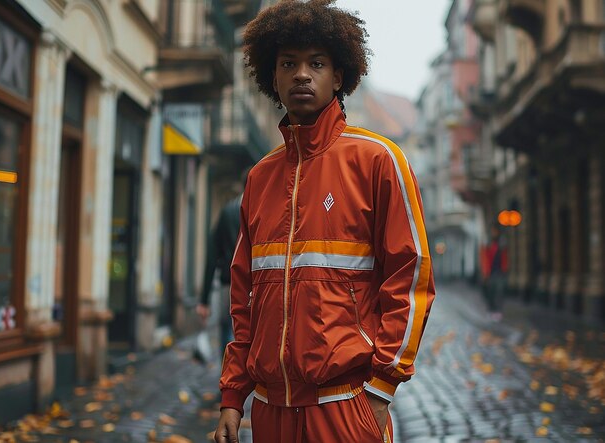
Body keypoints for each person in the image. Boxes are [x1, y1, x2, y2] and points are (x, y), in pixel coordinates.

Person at [215, 1, 435, 442]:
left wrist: (380, 389)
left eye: (316, 63)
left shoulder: (379, 160)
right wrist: (232, 397)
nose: (301, 74)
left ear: (339, 77)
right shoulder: (260, 177)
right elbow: (245, 298)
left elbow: (410, 279)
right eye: (288, 64)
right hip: (271, 410)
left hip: (345, 404)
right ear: (272, 77)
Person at [197, 190, 243, 361]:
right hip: (257, 283)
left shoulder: (228, 212)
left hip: (229, 282)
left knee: (228, 328)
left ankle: (229, 376)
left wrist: (204, 299)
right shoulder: (266, 210)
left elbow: (212, 256)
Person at [480, 225, 508, 321]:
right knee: (490, 292)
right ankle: (491, 309)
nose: (494, 233)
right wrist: (485, 272)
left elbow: (505, 256)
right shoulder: (487, 243)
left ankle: (498, 311)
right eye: (493, 231)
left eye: (495, 231)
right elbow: (484, 258)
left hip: (499, 271)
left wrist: (505, 269)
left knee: (499, 291)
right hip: (489, 272)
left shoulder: (502, 243)